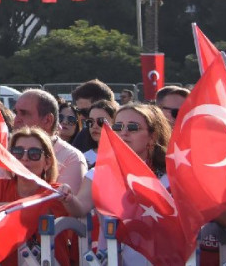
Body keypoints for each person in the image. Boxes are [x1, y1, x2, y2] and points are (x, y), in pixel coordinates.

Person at [62, 103, 173, 265]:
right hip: (112, 258)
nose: (124, 133)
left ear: (152, 136)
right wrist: (69, 198)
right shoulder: (100, 173)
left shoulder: (171, 176)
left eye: (133, 127)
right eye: (118, 127)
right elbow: (80, 208)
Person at [0, 128, 71, 265]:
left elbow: (30, 209)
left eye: (34, 153)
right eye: (18, 153)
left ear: (47, 162)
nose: (24, 158)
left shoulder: (56, 192)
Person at [6, 89, 87, 191]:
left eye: (24, 113)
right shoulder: (8, 151)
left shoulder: (71, 158)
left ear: (48, 120)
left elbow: (59, 205)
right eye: (16, 113)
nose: (16, 119)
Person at [70, 79, 115, 151]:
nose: (81, 117)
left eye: (85, 112)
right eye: (78, 111)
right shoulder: (83, 136)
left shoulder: (126, 136)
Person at [82, 99, 118, 167]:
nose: (95, 126)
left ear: (115, 123)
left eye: (101, 121)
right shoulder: (84, 158)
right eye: (90, 121)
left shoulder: (125, 155)